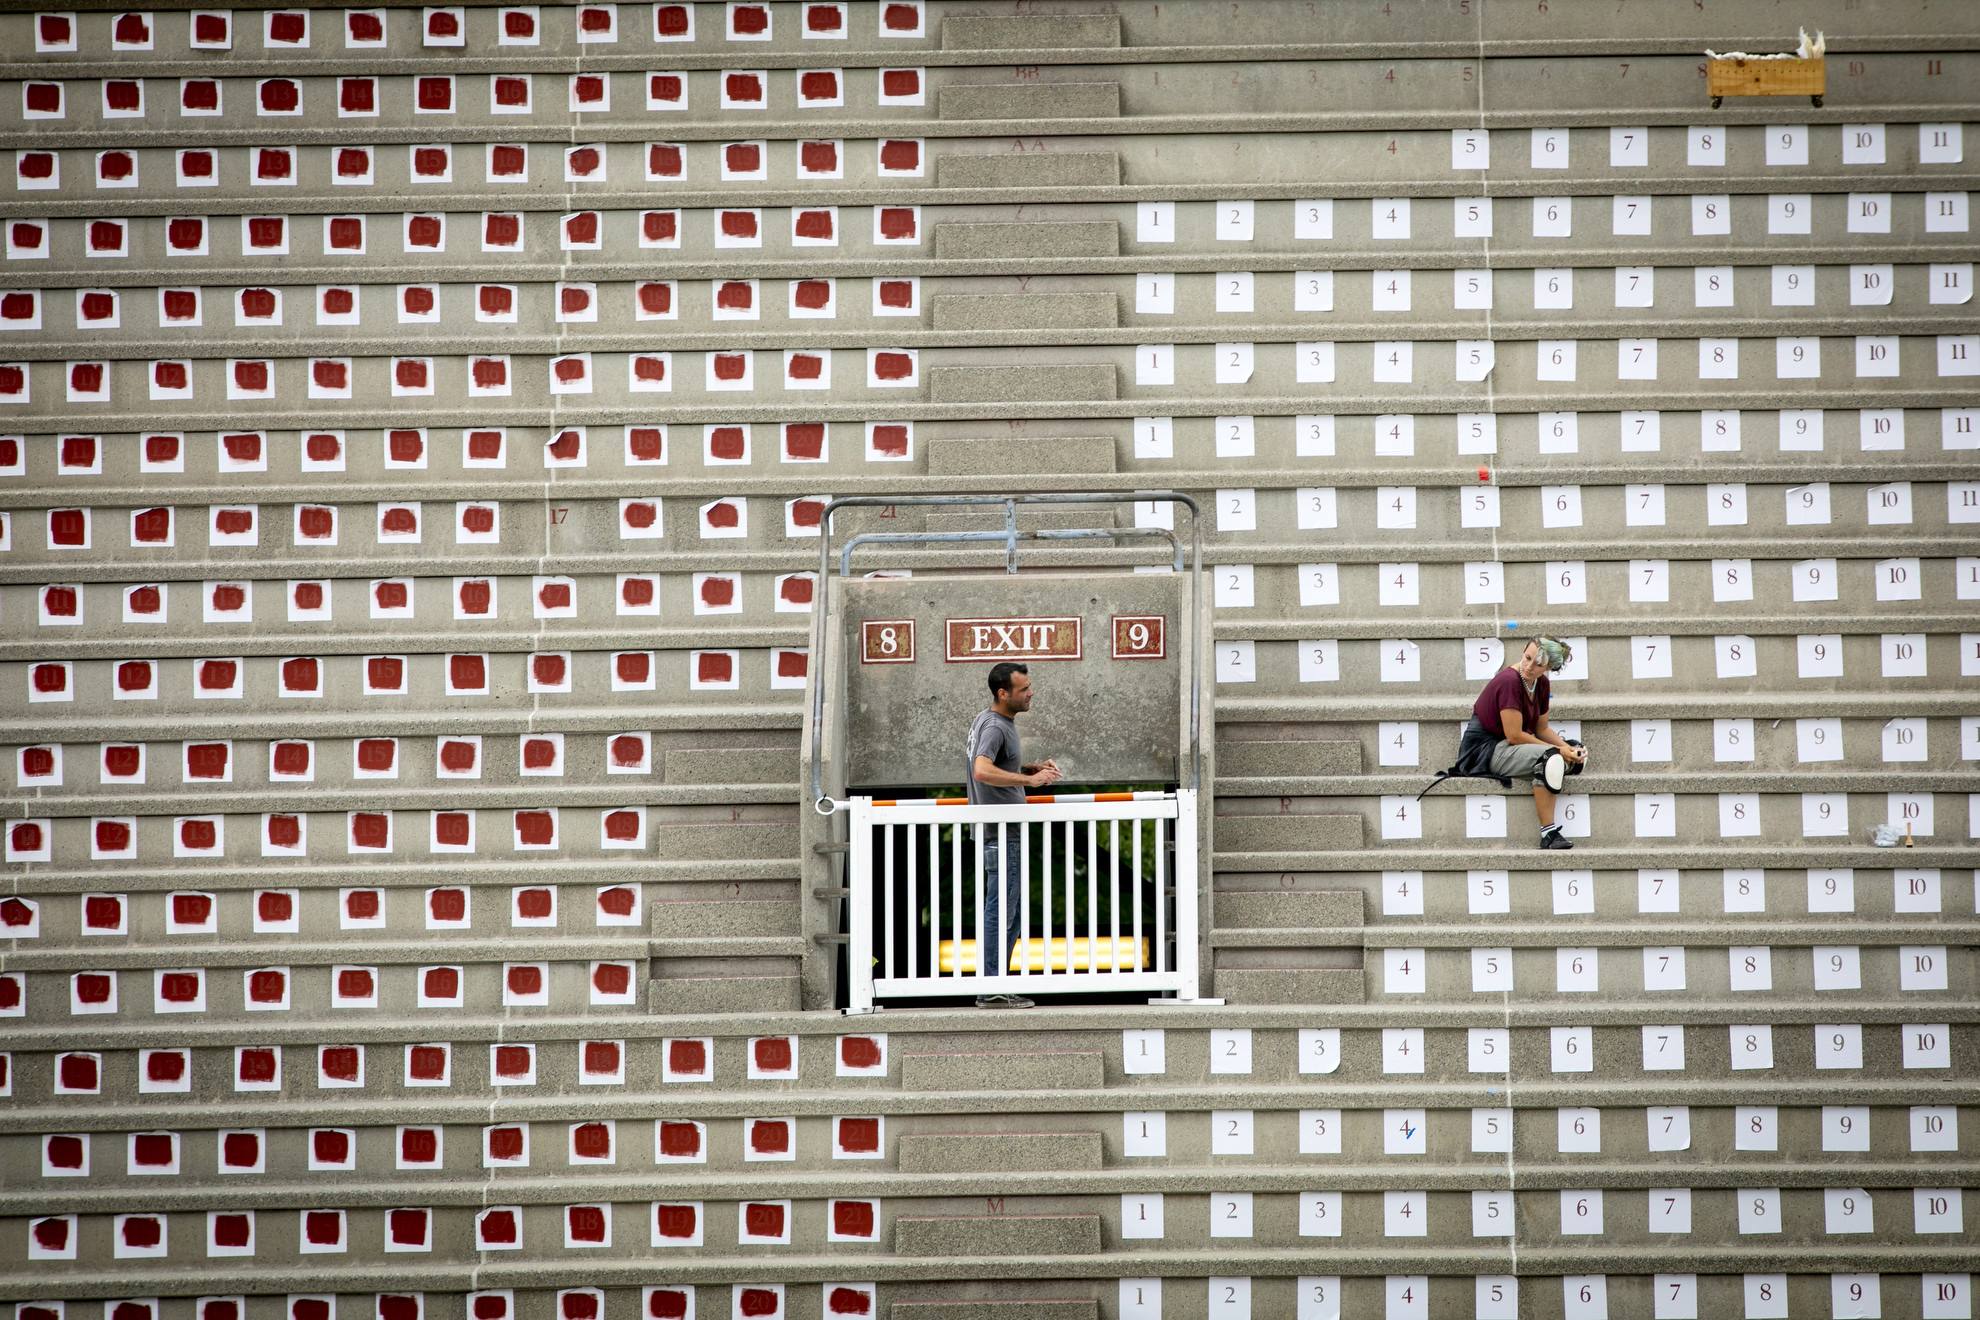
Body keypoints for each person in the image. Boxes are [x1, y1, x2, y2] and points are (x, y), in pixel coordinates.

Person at [965, 661, 1061, 1008]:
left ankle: (995, 984)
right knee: (1002, 912)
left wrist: (1026, 767)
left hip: (999, 834)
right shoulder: (995, 726)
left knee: (1009, 912)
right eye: (1023, 689)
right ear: (1003, 694)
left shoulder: (989, 720)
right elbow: (981, 769)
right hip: (1001, 835)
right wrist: (1030, 781)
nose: (1031, 693)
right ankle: (992, 988)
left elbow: (995, 764)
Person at [1464, 638, 1588, 850]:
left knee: (1577, 754)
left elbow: (1541, 729)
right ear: (1523, 650)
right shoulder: (1510, 681)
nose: (1529, 666)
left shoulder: (1543, 684)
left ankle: (1552, 766)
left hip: (1513, 745)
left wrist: (1568, 748)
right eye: (1527, 658)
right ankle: (1548, 833)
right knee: (1552, 758)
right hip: (1488, 750)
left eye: (1538, 664)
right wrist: (1558, 750)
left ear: (1549, 667)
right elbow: (1514, 735)